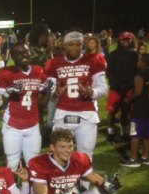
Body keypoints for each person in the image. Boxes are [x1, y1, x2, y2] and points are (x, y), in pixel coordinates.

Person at [45, 29, 107, 161]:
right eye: (71, 44)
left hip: (86, 114)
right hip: (63, 112)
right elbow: (49, 87)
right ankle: (65, 182)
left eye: (78, 44)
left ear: (82, 44)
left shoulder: (93, 59)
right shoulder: (54, 63)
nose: (75, 48)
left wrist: (92, 92)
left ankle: (83, 182)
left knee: (85, 156)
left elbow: (103, 88)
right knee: (59, 155)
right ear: (64, 45)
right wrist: (55, 92)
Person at [0, 42, 51, 170]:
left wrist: (48, 92)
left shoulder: (38, 71)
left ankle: (28, 189)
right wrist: (8, 92)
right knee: (13, 165)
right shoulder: (5, 73)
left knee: (34, 164)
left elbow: (41, 105)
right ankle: (13, 190)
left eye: (26, 51)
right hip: (13, 126)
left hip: (33, 125)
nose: (24, 55)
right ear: (13, 57)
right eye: (19, 53)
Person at [120, 53, 149, 167]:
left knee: (135, 133)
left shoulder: (139, 75)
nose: (137, 63)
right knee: (148, 133)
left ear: (143, 62)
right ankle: (146, 156)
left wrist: (128, 100)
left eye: (138, 61)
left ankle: (133, 159)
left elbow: (137, 92)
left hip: (140, 108)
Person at [106, 32, 139, 143]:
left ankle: (123, 133)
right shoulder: (113, 54)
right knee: (112, 111)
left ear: (131, 40)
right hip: (115, 88)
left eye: (128, 39)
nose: (126, 41)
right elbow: (109, 72)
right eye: (123, 39)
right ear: (119, 41)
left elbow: (136, 72)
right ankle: (110, 134)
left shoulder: (135, 54)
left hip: (129, 87)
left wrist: (130, 85)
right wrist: (116, 85)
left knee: (125, 111)